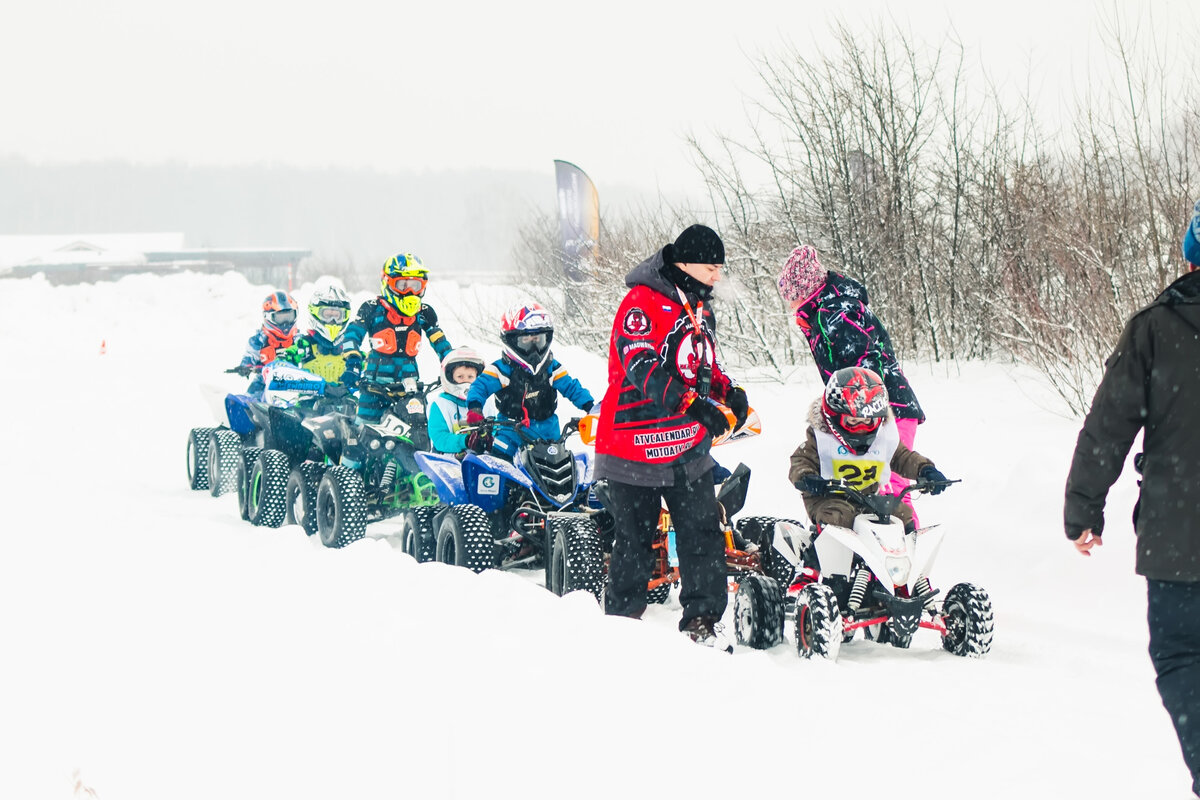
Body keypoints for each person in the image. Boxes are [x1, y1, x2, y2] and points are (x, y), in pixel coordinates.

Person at [1063, 199, 1200, 797]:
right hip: (1177, 534)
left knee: (1181, 656)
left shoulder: (1155, 329)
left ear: (1189, 255)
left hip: (1179, 539)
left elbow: (1108, 425)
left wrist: (1083, 508)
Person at [595, 223, 749, 650]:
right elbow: (641, 365)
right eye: (711, 267)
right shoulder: (640, 304)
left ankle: (702, 623)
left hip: (685, 447)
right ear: (685, 264)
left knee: (702, 533)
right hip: (633, 444)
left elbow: (700, 363)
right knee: (635, 543)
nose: (717, 275)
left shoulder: (699, 307)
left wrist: (726, 390)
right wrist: (690, 404)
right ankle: (621, 627)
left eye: (720, 268)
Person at [777, 245, 926, 523]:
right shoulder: (825, 312)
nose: (790, 305)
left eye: (791, 298)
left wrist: (859, 411)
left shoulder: (835, 315)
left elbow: (862, 371)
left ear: (803, 291)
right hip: (869, 412)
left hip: (885, 408)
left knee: (894, 493)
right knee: (871, 495)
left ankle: (903, 560)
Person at [788, 366, 946, 538]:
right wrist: (808, 478)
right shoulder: (822, 438)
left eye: (868, 421)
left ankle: (902, 560)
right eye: (854, 421)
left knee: (902, 514)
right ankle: (820, 557)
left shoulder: (882, 437)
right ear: (834, 415)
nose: (862, 428)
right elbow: (800, 461)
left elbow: (902, 457)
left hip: (869, 497)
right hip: (829, 499)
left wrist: (925, 470)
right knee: (838, 518)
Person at [464, 302, 594, 459]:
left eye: (538, 340)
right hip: (510, 430)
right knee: (499, 465)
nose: (534, 349)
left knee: (556, 471)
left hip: (547, 431)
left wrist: (590, 407)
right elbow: (480, 386)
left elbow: (572, 388)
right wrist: (475, 408)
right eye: (526, 341)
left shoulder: (551, 367)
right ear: (510, 340)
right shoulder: (502, 369)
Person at [343, 253, 453, 424]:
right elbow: (352, 336)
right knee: (363, 434)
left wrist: (453, 362)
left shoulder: (424, 312)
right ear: (388, 282)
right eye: (402, 285)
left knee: (418, 433)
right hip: (374, 388)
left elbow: (440, 341)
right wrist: (353, 363)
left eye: (415, 285)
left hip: (410, 389)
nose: (410, 291)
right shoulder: (371, 309)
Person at [277, 283, 362, 393]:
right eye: (327, 315)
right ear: (315, 313)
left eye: (337, 316)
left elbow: (365, 362)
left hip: (346, 402)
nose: (333, 321)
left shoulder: (348, 345)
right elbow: (286, 357)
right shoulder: (305, 344)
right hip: (309, 402)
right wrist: (282, 364)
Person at [236, 290, 300, 398]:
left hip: (295, 384)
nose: (285, 323)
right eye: (280, 318)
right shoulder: (258, 341)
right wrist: (245, 367)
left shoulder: (299, 340)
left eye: (289, 317)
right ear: (268, 317)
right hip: (264, 382)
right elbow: (249, 357)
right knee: (248, 401)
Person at [427, 347, 486, 454]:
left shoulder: (484, 403)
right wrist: (465, 441)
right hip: (447, 461)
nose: (466, 381)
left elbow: (494, 428)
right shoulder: (440, 405)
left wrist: (487, 439)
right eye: (460, 377)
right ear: (450, 377)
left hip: (478, 460)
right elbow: (439, 438)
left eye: (470, 377)